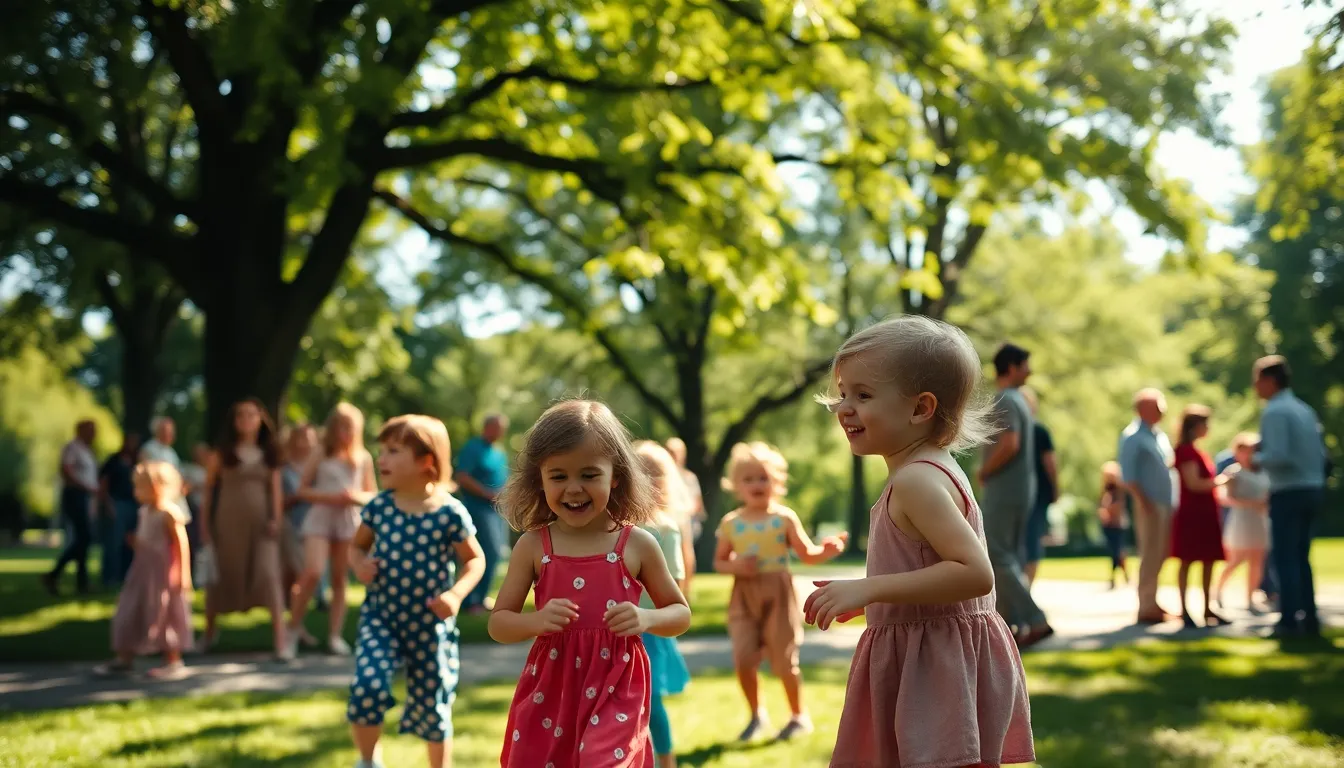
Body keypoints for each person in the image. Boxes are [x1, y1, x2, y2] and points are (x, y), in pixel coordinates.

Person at [807, 315, 1034, 768]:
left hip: (934, 667)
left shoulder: (916, 482)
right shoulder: (936, 467)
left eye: (863, 395)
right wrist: (872, 600)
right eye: (843, 391)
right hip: (934, 655)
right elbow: (929, 566)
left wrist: (871, 588)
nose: (842, 407)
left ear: (920, 408)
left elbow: (974, 572)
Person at [489, 400, 691, 768]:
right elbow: (499, 621)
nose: (574, 488)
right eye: (559, 476)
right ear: (540, 479)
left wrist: (646, 619)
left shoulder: (637, 544)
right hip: (552, 688)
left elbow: (680, 613)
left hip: (618, 682)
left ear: (616, 475)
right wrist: (536, 621)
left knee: (604, 762)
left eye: (589, 474)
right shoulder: (534, 546)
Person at [346, 414, 485, 768]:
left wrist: (456, 595)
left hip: (430, 625)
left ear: (426, 462)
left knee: (433, 702)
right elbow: (357, 547)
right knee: (368, 687)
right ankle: (367, 759)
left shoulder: (449, 513)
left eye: (393, 451)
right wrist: (359, 564)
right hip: (382, 619)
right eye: (382, 451)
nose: (382, 459)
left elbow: (475, 560)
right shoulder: (378, 508)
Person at [714, 441, 847, 742]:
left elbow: (807, 553)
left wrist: (826, 551)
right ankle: (756, 715)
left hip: (778, 592)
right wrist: (737, 567)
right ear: (737, 486)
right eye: (748, 479)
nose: (757, 484)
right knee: (743, 657)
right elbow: (719, 562)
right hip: (743, 595)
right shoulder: (731, 523)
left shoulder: (784, 518)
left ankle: (799, 716)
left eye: (763, 477)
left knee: (784, 659)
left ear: (776, 482)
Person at [198, 398, 291, 660]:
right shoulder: (222, 453)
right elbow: (208, 492)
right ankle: (208, 634)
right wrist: (205, 526)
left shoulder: (270, 452)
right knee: (221, 577)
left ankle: (281, 642)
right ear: (234, 422)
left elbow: (276, 492)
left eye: (252, 415)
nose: (247, 420)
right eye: (241, 415)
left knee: (269, 575)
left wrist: (276, 519)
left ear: (261, 419)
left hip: (263, 527)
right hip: (228, 525)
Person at [287, 404, 379, 657]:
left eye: (349, 427)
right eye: (340, 426)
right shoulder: (321, 453)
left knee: (340, 580)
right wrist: (329, 496)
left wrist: (354, 497)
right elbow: (302, 490)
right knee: (313, 572)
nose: (344, 432)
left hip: (349, 520)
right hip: (320, 518)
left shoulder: (363, 457)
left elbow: (372, 494)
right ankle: (292, 629)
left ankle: (335, 635)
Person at [977, 343, 1052, 647]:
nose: (1029, 371)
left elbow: (1009, 444)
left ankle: (1035, 619)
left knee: (996, 554)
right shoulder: (1018, 400)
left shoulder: (1005, 399)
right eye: (1025, 365)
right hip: (1022, 491)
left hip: (1004, 489)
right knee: (1010, 556)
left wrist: (985, 471)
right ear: (1010, 366)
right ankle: (1006, 628)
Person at [1251, 355, 1328, 639]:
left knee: (1284, 557)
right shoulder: (1303, 409)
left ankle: (1288, 620)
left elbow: (1279, 456)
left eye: (1257, 380)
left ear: (1271, 381)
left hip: (1289, 490)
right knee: (1301, 557)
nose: (1256, 387)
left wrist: (1255, 458)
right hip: (1312, 488)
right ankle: (1308, 617)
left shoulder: (1275, 412)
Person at [95, 461, 194, 679]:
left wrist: (183, 574)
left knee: (166, 614)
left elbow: (181, 545)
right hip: (142, 574)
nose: (136, 491)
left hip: (162, 576)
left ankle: (173, 660)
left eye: (140, 486)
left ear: (157, 487)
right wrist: (137, 543)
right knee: (129, 611)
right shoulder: (145, 512)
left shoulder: (169, 513)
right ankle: (124, 657)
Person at [634, 441, 696, 768]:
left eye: (655, 473)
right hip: (624, 625)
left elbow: (673, 581)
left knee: (650, 698)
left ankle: (667, 759)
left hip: (653, 626)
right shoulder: (616, 525)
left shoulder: (664, 527)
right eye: (640, 472)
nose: (648, 479)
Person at [1118, 388, 1177, 624]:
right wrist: (1144, 502)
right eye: (1158, 406)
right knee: (1150, 553)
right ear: (1143, 408)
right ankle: (1146, 606)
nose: (1163, 411)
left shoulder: (1158, 435)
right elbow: (1128, 476)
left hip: (1164, 503)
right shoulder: (1132, 436)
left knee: (1161, 553)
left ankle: (1153, 602)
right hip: (1149, 505)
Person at [1169, 405, 1226, 629]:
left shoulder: (1196, 450)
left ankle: (1206, 607)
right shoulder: (1185, 451)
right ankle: (1185, 610)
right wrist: (1222, 480)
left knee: (1208, 560)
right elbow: (1193, 483)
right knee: (1187, 560)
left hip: (1205, 513)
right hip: (1193, 513)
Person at [455, 414, 510, 615]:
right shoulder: (473, 448)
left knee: (496, 553)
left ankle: (481, 596)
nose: (501, 432)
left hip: (496, 510)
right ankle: (471, 600)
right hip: (477, 508)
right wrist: (487, 493)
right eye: (497, 428)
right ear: (487, 428)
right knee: (484, 551)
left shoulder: (499, 452)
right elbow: (462, 477)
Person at [1213, 433, 1271, 612]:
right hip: (1242, 519)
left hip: (1260, 519)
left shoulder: (1263, 471)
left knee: (1257, 560)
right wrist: (1250, 503)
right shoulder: (1233, 472)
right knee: (1235, 559)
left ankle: (1250, 598)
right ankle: (1217, 590)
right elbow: (1222, 497)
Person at [43, 420, 100, 596]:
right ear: (81, 430)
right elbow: (66, 470)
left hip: (85, 498)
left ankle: (81, 581)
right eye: (91, 430)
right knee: (84, 537)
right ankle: (55, 574)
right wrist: (84, 487)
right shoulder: (72, 448)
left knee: (83, 540)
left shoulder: (87, 451)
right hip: (75, 496)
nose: (94, 434)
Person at [1019, 387, 1058, 586]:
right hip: (1036, 493)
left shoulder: (1033, 430)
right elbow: (1051, 464)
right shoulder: (1038, 430)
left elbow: (1050, 463)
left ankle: (1024, 591)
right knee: (1032, 541)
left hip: (1031, 493)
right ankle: (1025, 590)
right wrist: (1055, 489)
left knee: (1025, 541)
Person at [99, 432, 142, 586]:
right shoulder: (114, 460)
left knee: (130, 543)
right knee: (113, 541)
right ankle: (109, 577)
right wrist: (108, 504)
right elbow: (103, 483)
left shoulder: (137, 461)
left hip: (134, 505)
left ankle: (125, 575)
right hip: (117, 504)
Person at [141, 416, 188, 518]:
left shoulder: (171, 452)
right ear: (159, 431)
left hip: (173, 499)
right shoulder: (149, 449)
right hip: (157, 501)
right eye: (168, 431)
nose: (172, 434)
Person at [664, 437, 706, 541]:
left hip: (687, 524)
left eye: (676, 452)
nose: (673, 456)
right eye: (669, 451)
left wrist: (683, 514)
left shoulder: (690, 478)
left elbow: (698, 505)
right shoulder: (661, 477)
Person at [1097, 462, 1130, 589]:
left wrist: (1108, 510)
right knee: (1117, 551)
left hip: (1117, 524)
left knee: (1117, 551)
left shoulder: (1119, 490)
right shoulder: (1106, 490)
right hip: (1109, 525)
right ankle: (1124, 575)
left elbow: (1118, 507)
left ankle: (1113, 578)